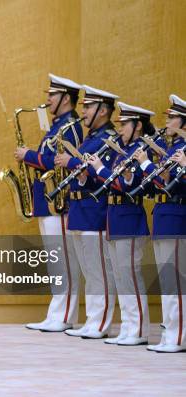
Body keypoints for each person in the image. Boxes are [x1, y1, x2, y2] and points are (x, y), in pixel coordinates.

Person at [14, 73, 83, 332]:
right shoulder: (58, 125)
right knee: (56, 261)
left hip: (60, 202)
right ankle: (56, 314)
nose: (47, 99)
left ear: (65, 98)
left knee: (63, 260)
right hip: (48, 200)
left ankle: (63, 316)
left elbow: (58, 161)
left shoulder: (71, 126)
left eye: (51, 95)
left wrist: (28, 155)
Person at [87, 102, 156, 346]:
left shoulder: (140, 150)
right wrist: (90, 173)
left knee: (130, 277)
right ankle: (128, 327)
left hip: (130, 219)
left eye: (125, 124)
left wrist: (100, 170)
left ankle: (138, 330)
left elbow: (127, 186)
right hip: (114, 218)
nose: (121, 128)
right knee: (120, 277)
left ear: (137, 126)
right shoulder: (120, 150)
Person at [54, 85, 119, 339]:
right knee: (89, 271)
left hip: (95, 210)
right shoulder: (90, 138)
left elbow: (106, 176)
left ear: (103, 110)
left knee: (100, 270)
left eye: (89, 107)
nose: (83, 111)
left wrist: (72, 163)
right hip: (80, 208)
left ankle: (101, 322)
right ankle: (93, 319)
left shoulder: (108, 138)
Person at [133, 94, 186, 353]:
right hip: (164, 217)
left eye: (172, 117)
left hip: (177, 218)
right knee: (167, 284)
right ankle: (169, 333)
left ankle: (178, 337)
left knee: (176, 284)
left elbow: (180, 187)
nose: (167, 121)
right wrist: (149, 166)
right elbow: (164, 183)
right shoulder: (174, 149)